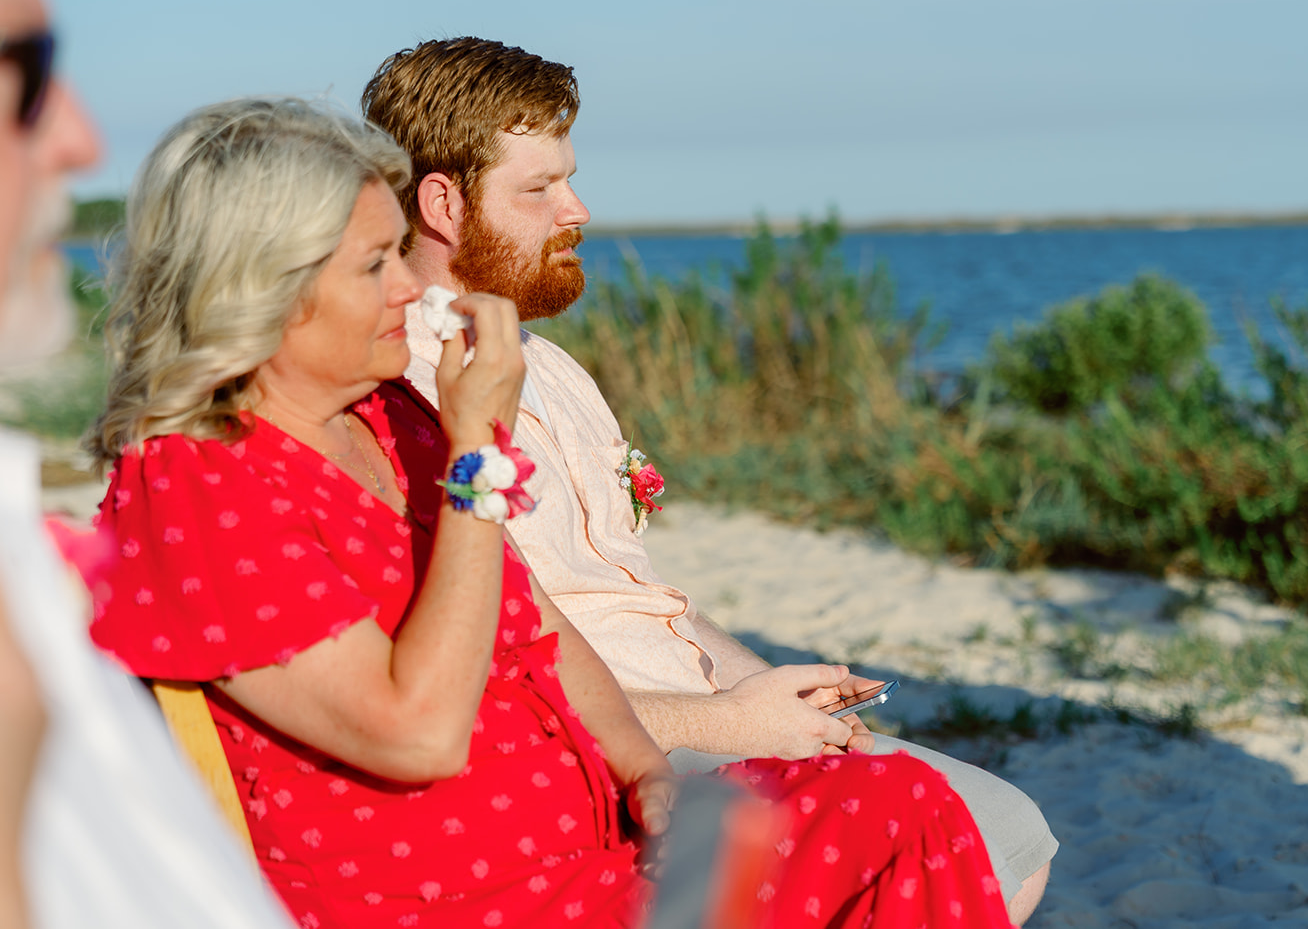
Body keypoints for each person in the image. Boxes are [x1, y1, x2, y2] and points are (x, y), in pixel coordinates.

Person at [85, 96, 1014, 929]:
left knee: (900, 803)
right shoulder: (195, 487)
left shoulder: (387, 416)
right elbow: (416, 731)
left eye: (399, 254)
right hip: (460, 897)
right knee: (891, 829)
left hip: (592, 848)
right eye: (375, 264)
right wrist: (477, 451)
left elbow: (539, 626)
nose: (409, 286)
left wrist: (646, 771)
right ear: (267, 288)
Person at [362, 37, 1057, 924]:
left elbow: (641, 597)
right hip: (611, 755)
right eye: (540, 189)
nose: (578, 209)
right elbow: (499, 673)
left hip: (704, 711)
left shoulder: (555, 368)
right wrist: (728, 724)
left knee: (1012, 829)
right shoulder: (407, 399)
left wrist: (778, 691)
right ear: (443, 204)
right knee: (981, 843)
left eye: (571, 178)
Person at [0, 0, 295, 929]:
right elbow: (417, 731)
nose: (81, 140)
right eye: (25, 73)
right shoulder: (195, 475)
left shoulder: (23, 548)